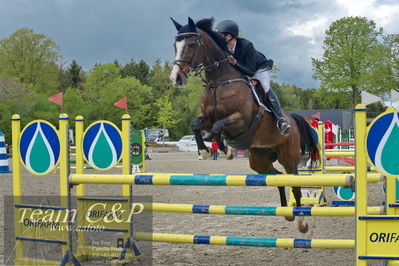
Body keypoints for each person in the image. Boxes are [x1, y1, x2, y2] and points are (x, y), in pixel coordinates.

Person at [215, 20, 291, 136]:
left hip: (258, 69)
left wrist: (236, 63)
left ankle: (281, 119)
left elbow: (251, 72)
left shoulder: (247, 45)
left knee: (264, 87)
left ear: (229, 36)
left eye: (220, 36)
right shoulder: (223, 49)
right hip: (241, 71)